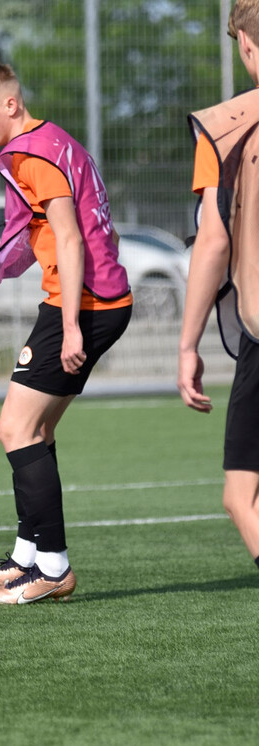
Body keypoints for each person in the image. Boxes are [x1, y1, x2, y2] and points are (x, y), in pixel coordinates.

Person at [0, 64, 133, 604]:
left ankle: (52, 568)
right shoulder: (55, 139)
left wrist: (74, 324)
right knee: (35, 432)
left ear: (11, 105)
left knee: (15, 429)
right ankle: (26, 559)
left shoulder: (33, 153)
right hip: (88, 302)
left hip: (80, 306)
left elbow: (70, 238)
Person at [178, 0, 259, 575]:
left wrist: (188, 346)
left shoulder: (227, 126)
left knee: (242, 496)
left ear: (247, 46)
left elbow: (213, 243)